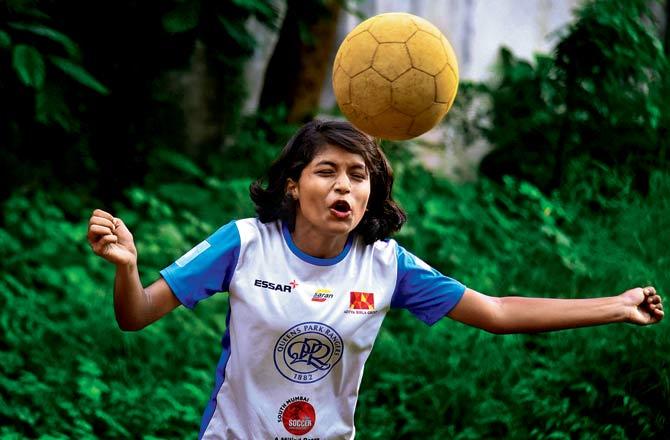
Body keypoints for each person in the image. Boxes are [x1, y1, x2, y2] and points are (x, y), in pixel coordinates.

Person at [87, 119, 663, 439]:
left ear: (371, 191)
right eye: (327, 171)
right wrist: (128, 268)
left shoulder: (386, 262)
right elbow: (134, 314)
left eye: (358, 175)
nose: (344, 186)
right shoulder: (244, 243)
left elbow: (497, 313)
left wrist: (614, 305)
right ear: (293, 183)